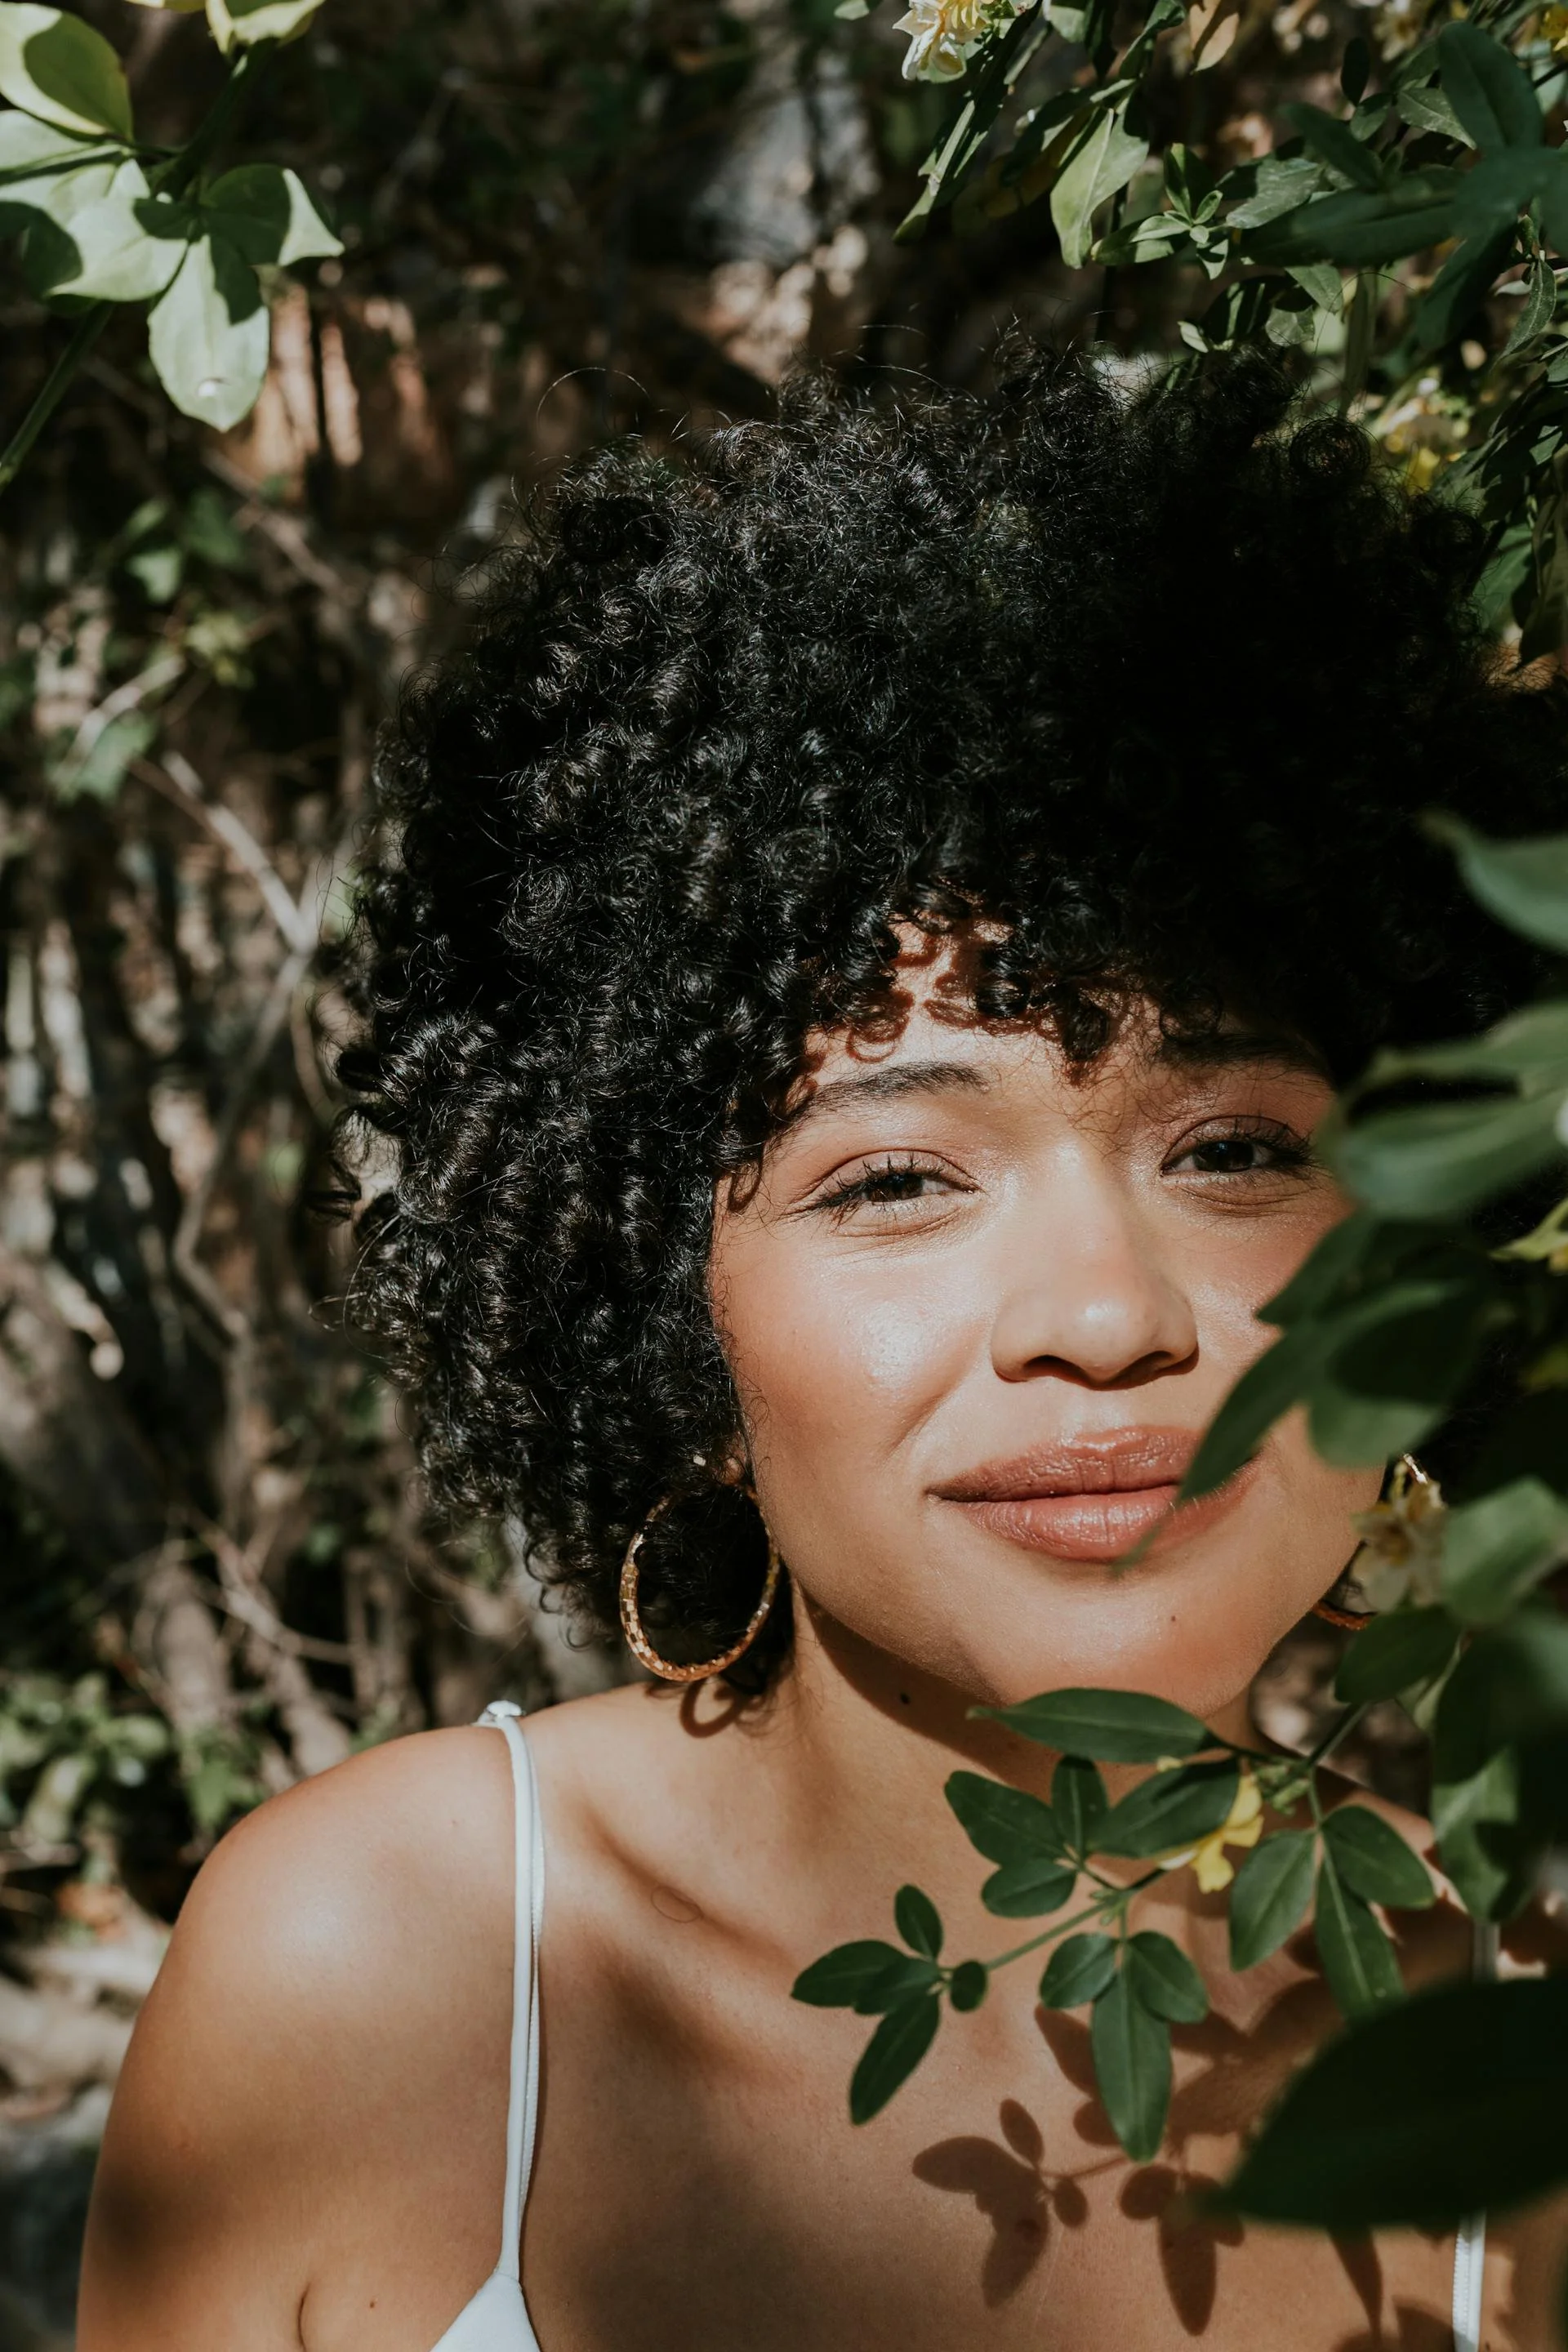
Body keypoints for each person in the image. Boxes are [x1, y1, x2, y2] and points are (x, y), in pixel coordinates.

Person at [78, 350, 1568, 2351]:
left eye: (1231, 1150)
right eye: (892, 1181)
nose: (1107, 1319)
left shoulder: (1509, 2051)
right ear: (659, 1309)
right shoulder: (384, 1971)